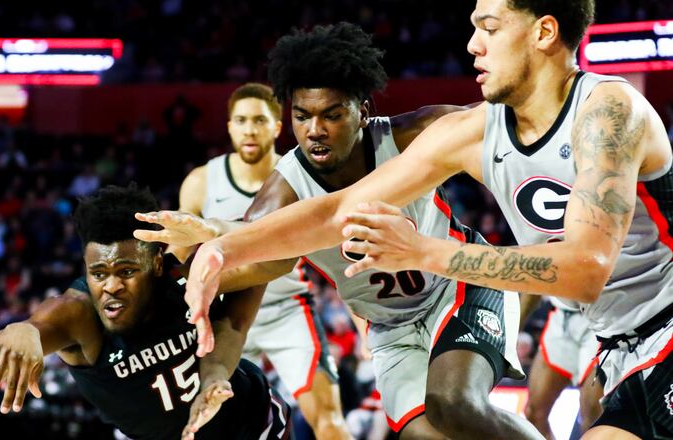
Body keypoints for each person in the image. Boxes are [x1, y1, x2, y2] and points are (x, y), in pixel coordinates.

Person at [182, 1, 673, 439]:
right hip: (616, 344)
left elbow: (586, 269)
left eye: (490, 27)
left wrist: (422, 251)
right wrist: (223, 246)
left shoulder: (607, 111)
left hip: (661, 327)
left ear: (543, 33)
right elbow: (336, 210)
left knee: (454, 402)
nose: (472, 44)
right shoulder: (473, 129)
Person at [137, 22, 541, 439]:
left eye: (331, 115)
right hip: (390, 329)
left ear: (362, 111)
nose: (315, 130)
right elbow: (249, 258)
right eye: (302, 116)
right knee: (425, 434)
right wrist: (193, 259)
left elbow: (503, 123)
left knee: (455, 405)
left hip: (459, 286)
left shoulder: (409, 136)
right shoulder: (285, 190)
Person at [0, 184, 291, 440]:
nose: (111, 286)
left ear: (155, 263)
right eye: (98, 273)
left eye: (126, 272)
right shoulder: (77, 314)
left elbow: (277, 255)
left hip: (252, 424)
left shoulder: (186, 275)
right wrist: (21, 331)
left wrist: (218, 232)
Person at [175, 82, 349, 439]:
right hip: (223, 312)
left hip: (287, 307)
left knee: (330, 421)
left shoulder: (300, 174)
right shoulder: (201, 181)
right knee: (204, 420)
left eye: (259, 120)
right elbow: (180, 260)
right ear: (228, 127)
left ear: (277, 126)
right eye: (240, 120)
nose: (249, 129)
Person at [520, 295, 603, 438]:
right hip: (561, 317)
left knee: (592, 416)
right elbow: (537, 276)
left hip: (604, 318)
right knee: (533, 412)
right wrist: (515, 327)